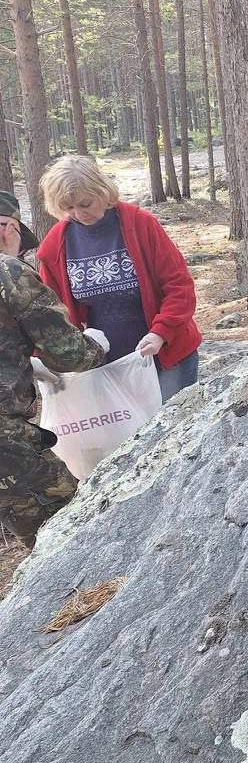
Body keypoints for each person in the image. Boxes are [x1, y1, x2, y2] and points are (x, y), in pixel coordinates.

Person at [36, 156, 202, 402]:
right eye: (68, 208)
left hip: (167, 355)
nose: (79, 214)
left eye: (85, 204)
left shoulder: (141, 224)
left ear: (102, 191)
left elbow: (179, 286)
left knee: (174, 423)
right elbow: (49, 311)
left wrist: (160, 332)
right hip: (106, 365)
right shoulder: (56, 244)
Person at [1, 191, 106, 546]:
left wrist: (22, 365)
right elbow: (68, 354)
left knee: (26, 518)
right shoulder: (9, 272)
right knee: (67, 525)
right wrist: (97, 346)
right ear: (10, 228)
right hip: (4, 439)